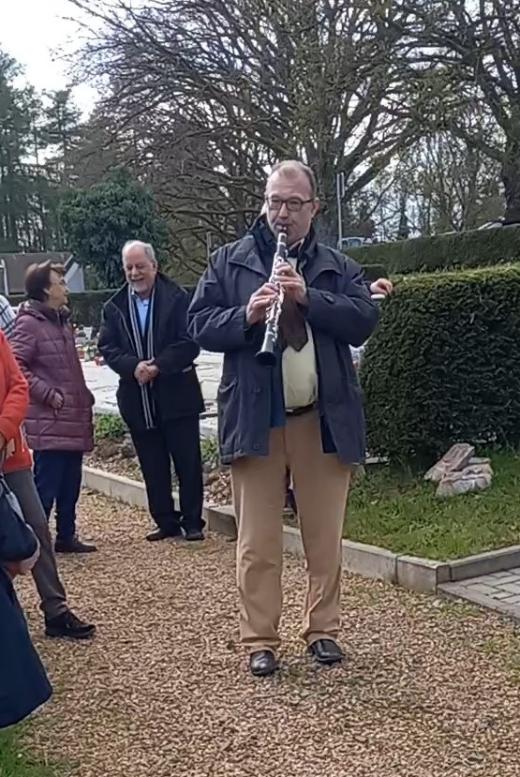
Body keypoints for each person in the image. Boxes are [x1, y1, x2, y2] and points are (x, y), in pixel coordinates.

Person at [188, 160, 379, 677]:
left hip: (321, 420)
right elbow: (198, 323)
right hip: (257, 418)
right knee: (258, 540)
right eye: (275, 201)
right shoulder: (231, 262)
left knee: (324, 536)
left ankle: (323, 631)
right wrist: (247, 316)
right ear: (263, 203)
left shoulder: (337, 264)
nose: (283, 214)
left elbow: (364, 319)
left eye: (295, 204)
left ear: (314, 209)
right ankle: (260, 639)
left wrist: (307, 297)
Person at [98, 240, 205, 542]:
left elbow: (189, 341)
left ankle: (193, 521)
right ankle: (164, 520)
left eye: (140, 266)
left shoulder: (179, 298)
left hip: (177, 395)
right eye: (129, 267)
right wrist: (134, 367)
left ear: (154, 267)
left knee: (187, 461)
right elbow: (107, 347)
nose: (134, 273)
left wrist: (158, 365)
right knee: (152, 464)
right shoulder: (114, 306)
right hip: (137, 397)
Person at [10, 262, 96, 555]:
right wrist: (47, 394)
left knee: (70, 482)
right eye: (60, 281)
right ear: (46, 289)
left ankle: (66, 536)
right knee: (45, 485)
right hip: (50, 419)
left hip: (71, 416)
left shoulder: (61, 321)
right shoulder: (29, 323)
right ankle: (36, 543)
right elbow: (15, 366)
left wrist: (83, 396)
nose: (65, 287)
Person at [0, 328, 52, 727]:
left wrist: (2, 430)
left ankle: (55, 606)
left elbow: (17, 385)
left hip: (9, 452)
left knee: (33, 530)